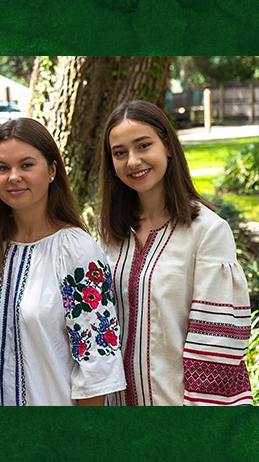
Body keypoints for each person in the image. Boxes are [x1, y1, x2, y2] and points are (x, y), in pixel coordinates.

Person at [99, 100, 253, 406]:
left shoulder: (207, 232)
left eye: (143, 145)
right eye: (120, 153)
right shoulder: (111, 236)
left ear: (168, 146)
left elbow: (215, 348)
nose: (133, 161)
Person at [0, 117, 126, 406]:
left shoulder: (75, 252)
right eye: (2, 168)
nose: (13, 177)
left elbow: (97, 365)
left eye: (26, 165)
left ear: (51, 170)